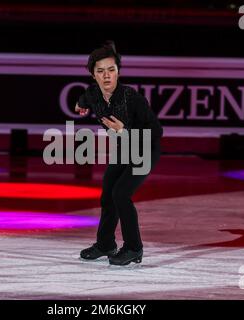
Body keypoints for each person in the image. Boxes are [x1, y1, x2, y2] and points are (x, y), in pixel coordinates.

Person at [75, 41, 163, 266]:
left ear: (118, 72)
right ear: (93, 75)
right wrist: (80, 105)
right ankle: (105, 244)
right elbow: (85, 98)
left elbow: (156, 131)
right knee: (108, 195)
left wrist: (123, 130)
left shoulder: (131, 98)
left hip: (145, 149)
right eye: (100, 71)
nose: (106, 76)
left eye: (111, 70)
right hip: (125, 149)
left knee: (121, 194)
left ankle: (134, 248)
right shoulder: (93, 94)